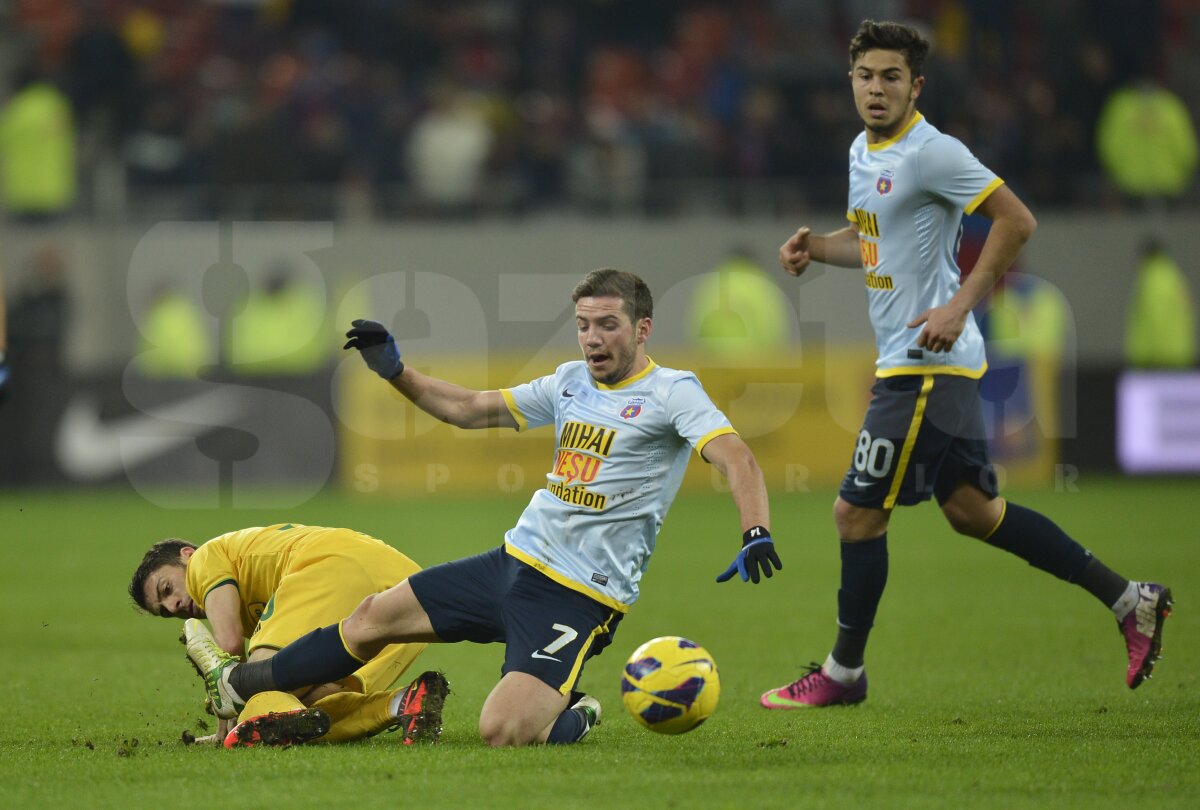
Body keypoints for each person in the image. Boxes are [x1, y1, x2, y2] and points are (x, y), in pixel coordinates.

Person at [182, 267, 782, 747]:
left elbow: (737, 458)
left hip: (577, 594)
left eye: (608, 325)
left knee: (504, 732)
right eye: (583, 325)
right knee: (371, 618)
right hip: (512, 563)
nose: (593, 338)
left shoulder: (672, 391)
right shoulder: (570, 380)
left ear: (643, 329)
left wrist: (755, 528)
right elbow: (469, 408)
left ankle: (578, 708)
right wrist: (395, 372)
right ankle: (243, 684)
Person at [759, 21, 1172, 710]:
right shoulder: (865, 150)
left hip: (924, 365)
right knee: (974, 512)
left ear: (915, 86)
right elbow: (875, 245)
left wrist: (959, 306)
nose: (877, 88)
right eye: (866, 76)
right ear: (851, 82)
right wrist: (816, 248)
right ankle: (1131, 600)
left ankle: (844, 673)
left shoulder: (934, 152)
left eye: (892, 77)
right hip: (919, 364)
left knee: (855, 516)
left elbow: (1018, 221)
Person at [129, 523, 448, 748]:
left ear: (186, 554)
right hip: (404, 589)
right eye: (166, 611)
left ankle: (258, 723)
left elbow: (228, 645)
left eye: (166, 588)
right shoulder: (251, 594)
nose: (175, 605)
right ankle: (400, 703)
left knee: (261, 686)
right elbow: (236, 664)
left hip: (332, 567)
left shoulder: (204, 560)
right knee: (320, 698)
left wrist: (229, 701)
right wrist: (225, 716)